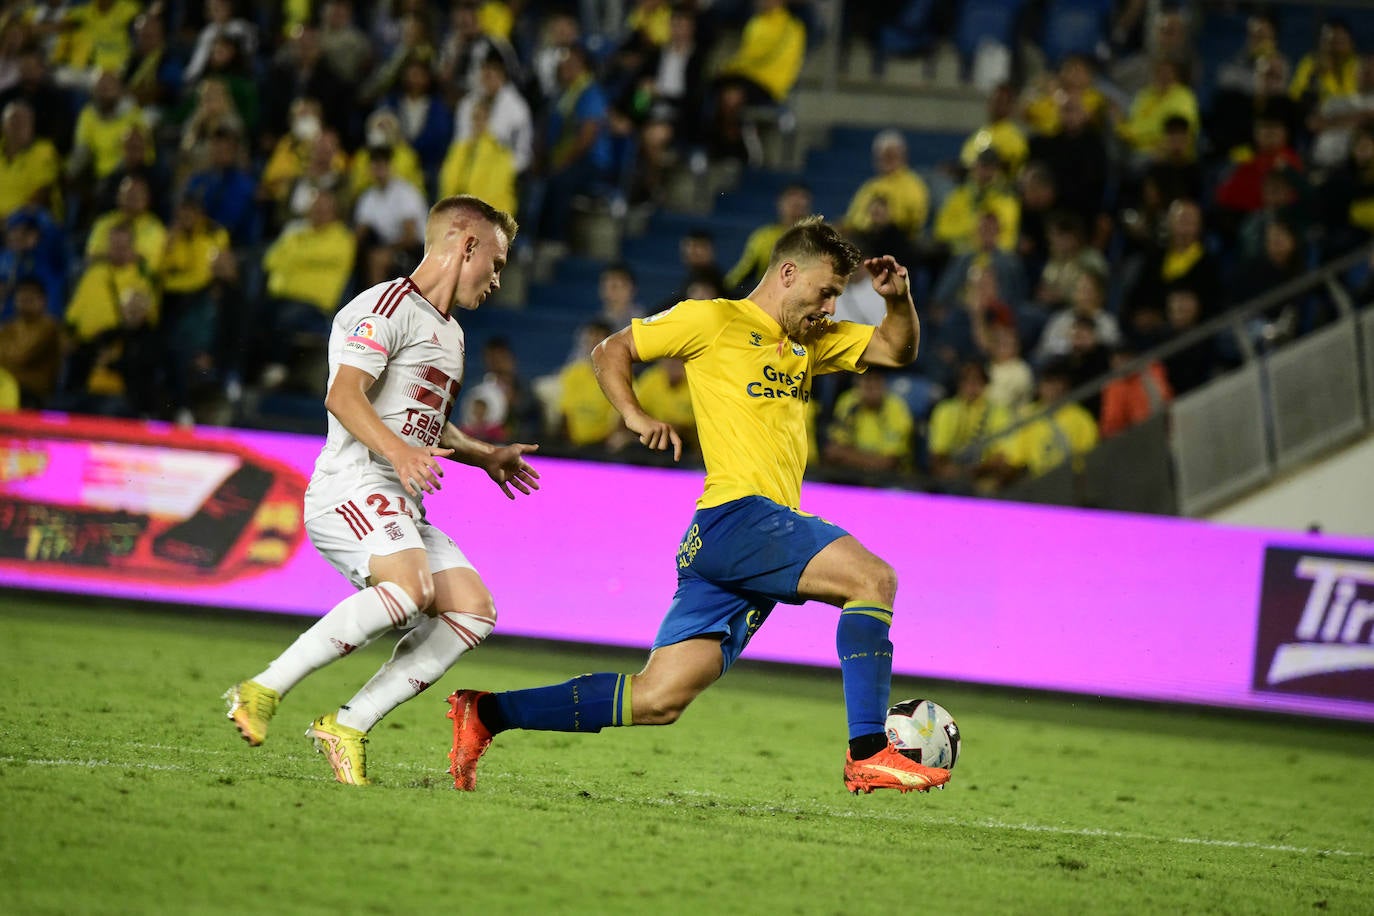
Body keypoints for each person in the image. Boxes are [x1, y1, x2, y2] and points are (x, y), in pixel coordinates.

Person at [445, 217, 953, 796]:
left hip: (735, 540)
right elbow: (612, 350)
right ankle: (867, 751)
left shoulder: (810, 341)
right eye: (826, 292)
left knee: (657, 699)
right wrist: (634, 414)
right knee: (873, 580)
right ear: (789, 273)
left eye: (837, 295)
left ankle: (486, 713)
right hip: (740, 516)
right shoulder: (712, 320)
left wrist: (898, 299)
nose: (830, 307)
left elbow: (895, 348)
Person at [224, 195, 540, 786]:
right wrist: (397, 452)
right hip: (352, 483)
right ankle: (262, 688)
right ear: (466, 245)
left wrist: (484, 455)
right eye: (495, 264)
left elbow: (427, 421)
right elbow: (344, 395)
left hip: (399, 498)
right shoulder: (384, 306)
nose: (497, 279)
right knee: (411, 589)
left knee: (474, 611)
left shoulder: (452, 335)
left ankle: (347, 724)